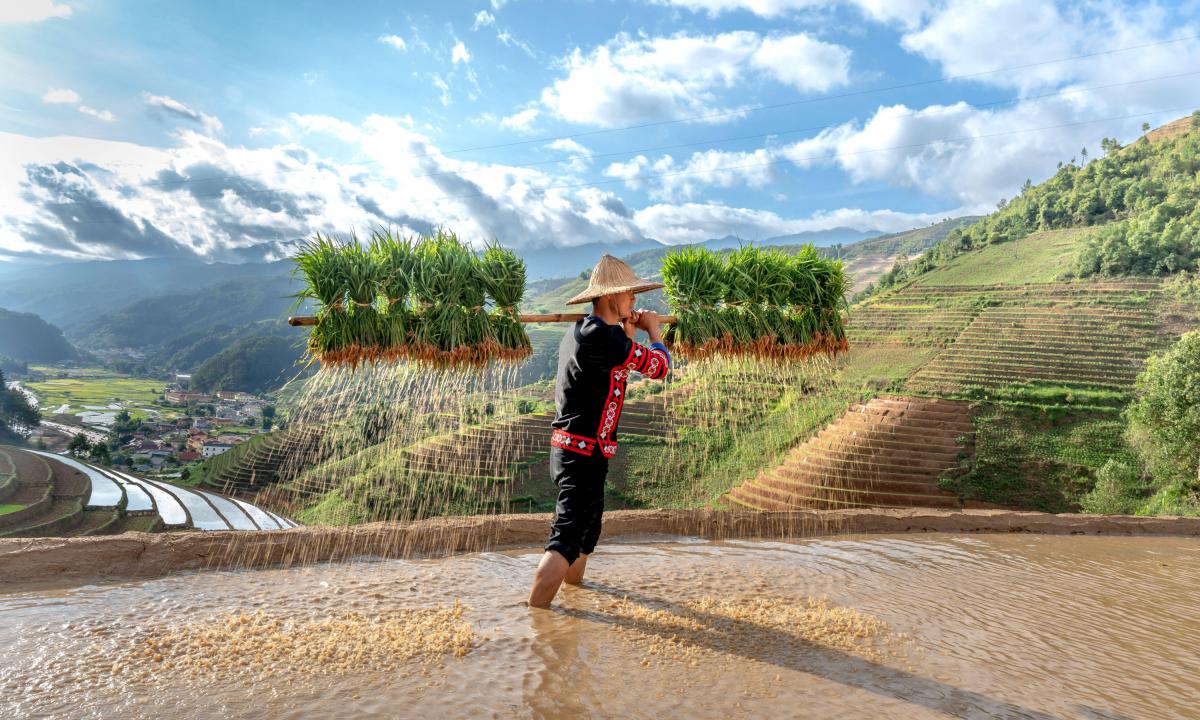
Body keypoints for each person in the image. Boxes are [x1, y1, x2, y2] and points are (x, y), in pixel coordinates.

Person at [527, 254, 671, 609]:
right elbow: (659, 368)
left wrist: (627, 334)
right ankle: (534, 624)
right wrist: (654, 331)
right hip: (581, 456)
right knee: (565, 539)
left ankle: (573, 607)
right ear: (610, 298)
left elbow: (614, 372)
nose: (634, 300)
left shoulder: (586, 332)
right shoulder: (602, 338)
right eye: (629, 295)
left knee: (585, 536)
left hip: (583, 453)